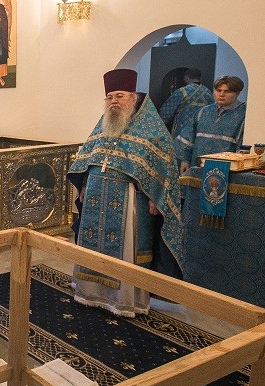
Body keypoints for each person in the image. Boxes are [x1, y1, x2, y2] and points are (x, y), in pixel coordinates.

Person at [68, 68, 184, 317]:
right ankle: (90, 292)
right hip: (96, 195)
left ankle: (123, 301)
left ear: (133, 97)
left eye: (119, 96)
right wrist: (85, 185)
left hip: (129, 198)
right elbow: (89, 158)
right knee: (91, 246)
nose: (114, 102)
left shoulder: (151, 129)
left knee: (125, 251)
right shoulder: (103, 125)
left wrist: (156, 196)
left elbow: (164, 165)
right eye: (109, 97)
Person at [175, 75, 246, 173]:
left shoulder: (244, 114)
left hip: (225, 171)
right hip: (197, 166)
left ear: (237, 93)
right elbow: (188, 137)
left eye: (227, 91)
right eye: (218, 90)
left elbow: (242, 146)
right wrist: (185, 160)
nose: (221, 94)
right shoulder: (203, 112)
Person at [158, 67, 212, 138]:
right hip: (201, 131)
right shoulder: (208, 93)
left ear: (186, 77)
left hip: (182, 131)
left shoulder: (182, 91)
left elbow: (166, 113)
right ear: (200, 78)